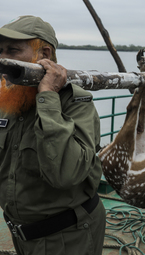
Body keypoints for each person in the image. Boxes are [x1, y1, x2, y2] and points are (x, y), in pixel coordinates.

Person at [0, 15, 106, 255]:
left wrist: (47, 96)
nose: (2, 58)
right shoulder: (7, 101)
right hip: (22, 235)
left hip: (67, 237)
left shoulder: (76, 102)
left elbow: (65, 174)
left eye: (12, 50)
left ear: (44, 54)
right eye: (0, 50)